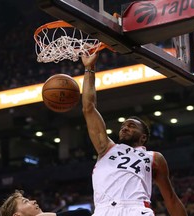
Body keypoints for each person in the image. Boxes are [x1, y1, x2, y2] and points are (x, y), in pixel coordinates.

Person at [81, 53, 187, 216]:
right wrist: (89, 68)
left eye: (131, 126)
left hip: (137, 209)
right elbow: (88, 108)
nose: (124, 128)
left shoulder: (154, 158)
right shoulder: (106, 148)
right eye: (123, 126)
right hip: (104, 210)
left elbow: (171, 199)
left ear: (143, 137)